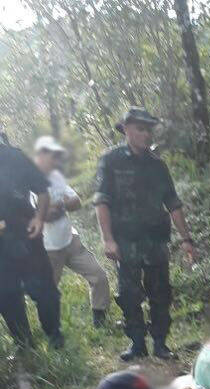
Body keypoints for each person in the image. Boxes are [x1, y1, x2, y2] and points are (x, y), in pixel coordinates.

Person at [94, 107, 198, 361]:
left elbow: (173, 203)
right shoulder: (111, 161)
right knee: (129, 295)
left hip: (155, 240)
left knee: (160, 292)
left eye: (149, 129)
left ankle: (160, 343)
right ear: (126, 130)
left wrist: (186, 239)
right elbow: (102, 201)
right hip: (125, 240)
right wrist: (108, 239)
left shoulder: (157, 165)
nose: (146, 134)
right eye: (141, 129)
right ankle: (137, 344)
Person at [33, 136, 110, 328]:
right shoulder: (30, 182)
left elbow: (77, 202)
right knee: (49, 291)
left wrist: (57, 205)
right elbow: (44, 216)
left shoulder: (57, 178)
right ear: (41, 156)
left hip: (70, 240)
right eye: (52, 156)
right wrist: (58, 206)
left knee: (99, 276)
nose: (56, 160)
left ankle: (99, 321)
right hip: (48, 247)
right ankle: (51, 331)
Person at [0, 127, 63, 347]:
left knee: (42, 288)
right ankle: (24, 344)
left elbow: (42, 190)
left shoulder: (14, 156)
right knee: (6, 294)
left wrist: (39, 218)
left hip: (25, 235)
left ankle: (54, 334)